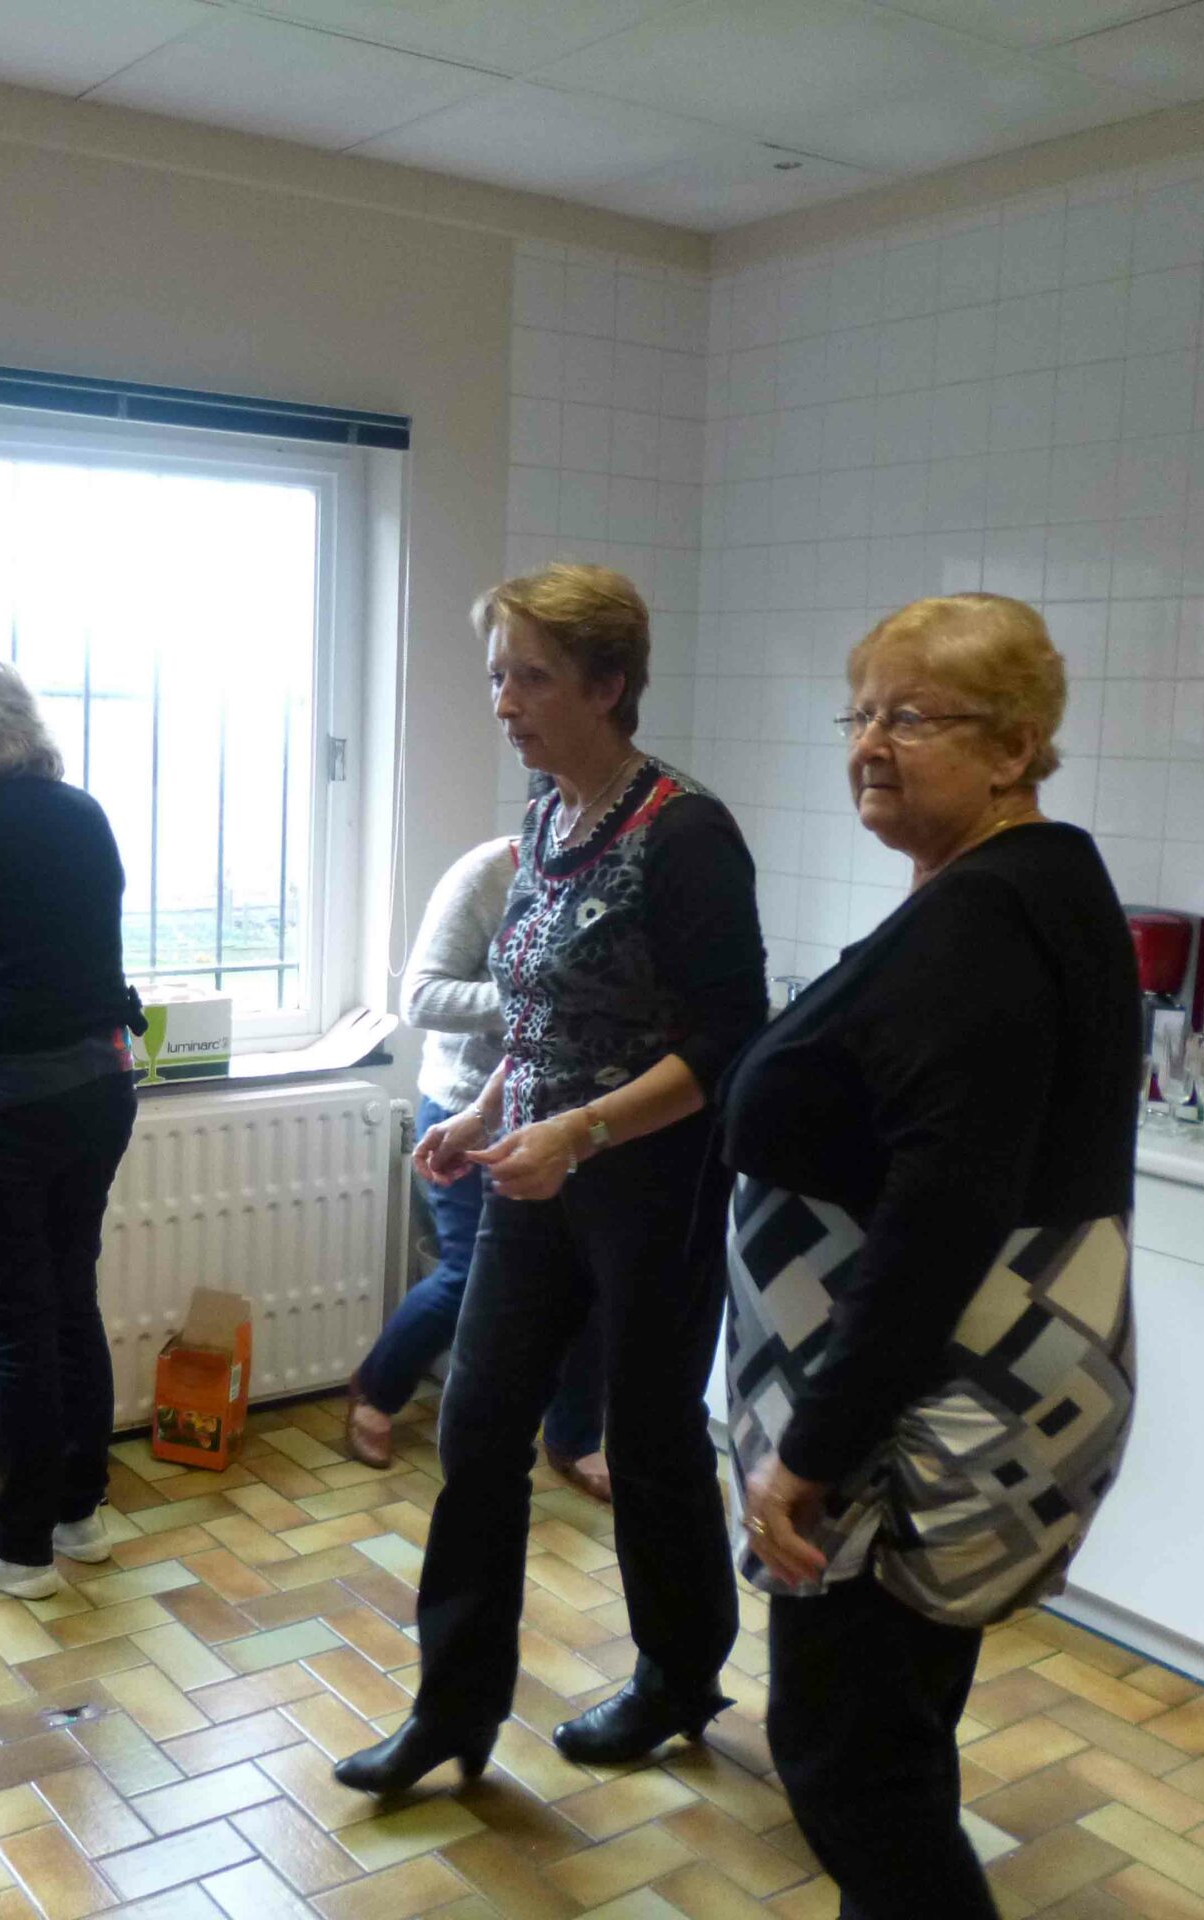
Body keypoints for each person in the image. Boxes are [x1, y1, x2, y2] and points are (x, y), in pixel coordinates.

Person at [720, 593, 1139, 1918]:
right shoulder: (1023, 884)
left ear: (1013, 747)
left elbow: (939, 1220)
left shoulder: (983, 917)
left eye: (910, 717)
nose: (868, 744)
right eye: (859, 714)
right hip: (931, 1391)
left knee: (845, 1761)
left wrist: (811, 1453)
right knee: (895, 1729)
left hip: (901, 1410)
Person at [335, 563, 767, 1795]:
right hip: (531, 1176)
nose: (503, 702)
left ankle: (677, 1676)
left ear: (608, 683)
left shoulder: (685, 833)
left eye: (529, 677)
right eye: (496, 676)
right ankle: (453, 1709)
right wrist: (482, 1114)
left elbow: (725, 1042)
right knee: (477, 1429)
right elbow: (536, 1016)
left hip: (651, 1184)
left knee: (652, 1438)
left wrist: (575, 1132)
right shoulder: (542, 818)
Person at [0, 659, 145, 1600]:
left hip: (13, 1102)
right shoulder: (84, 813)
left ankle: (17, 1546)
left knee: (19, 1321)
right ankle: (78, 1513)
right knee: (71, 1296)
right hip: (103, 1087)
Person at [343, 833, 611, 1502]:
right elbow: (422, 998)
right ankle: (377, 1390)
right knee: (468, 1277)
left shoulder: (616, 872)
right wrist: (534, 998)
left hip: (575, 1115)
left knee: (589, 1281)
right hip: (467, 1104)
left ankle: (575, 1436)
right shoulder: (488, 873)